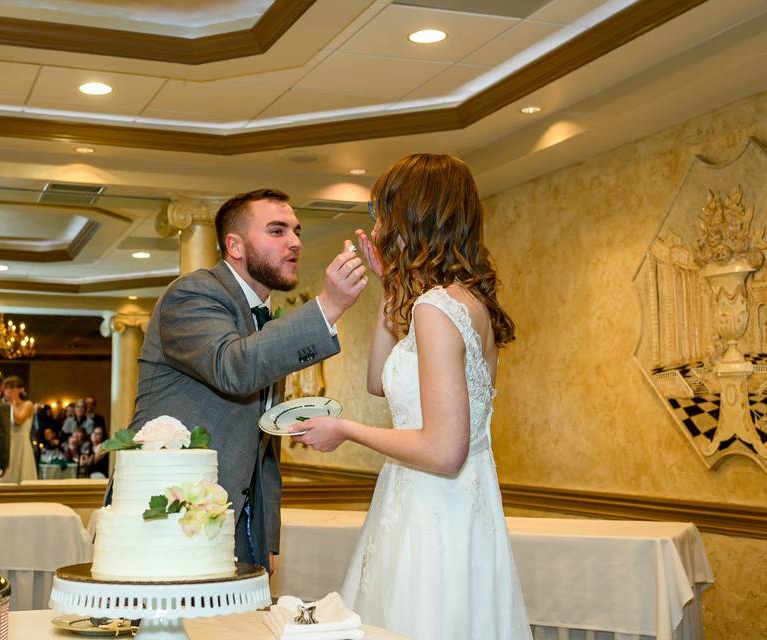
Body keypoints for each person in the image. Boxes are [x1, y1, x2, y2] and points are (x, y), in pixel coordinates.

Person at [291, 154, 531, 639]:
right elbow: (379, 381)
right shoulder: (461, 300)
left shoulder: (436, 308)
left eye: (383, 213)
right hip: (438, 504)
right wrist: (389, 287)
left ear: (413, 217)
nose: (376, 228)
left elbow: (444, 451)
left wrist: (344, 430)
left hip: (434, 513)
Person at [109, 187, 367, 574]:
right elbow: (233, 368)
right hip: (169, 518)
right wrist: (328, 307)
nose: (295, 242)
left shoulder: (263, 317)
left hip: (239, 521)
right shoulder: (193, 293)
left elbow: (263, 448)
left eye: (297, 231)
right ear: (235, 245)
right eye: (277, 231)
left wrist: (266, 536)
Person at [0, 376, 38, 483]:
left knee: (22, 477)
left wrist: (13, 401)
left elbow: (18, 420)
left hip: (22, 445)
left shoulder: (28, 404)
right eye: (6, 388)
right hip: (7, 444)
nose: (8, 391)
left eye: (11, 388)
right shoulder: (2, 405)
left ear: (21, 389)